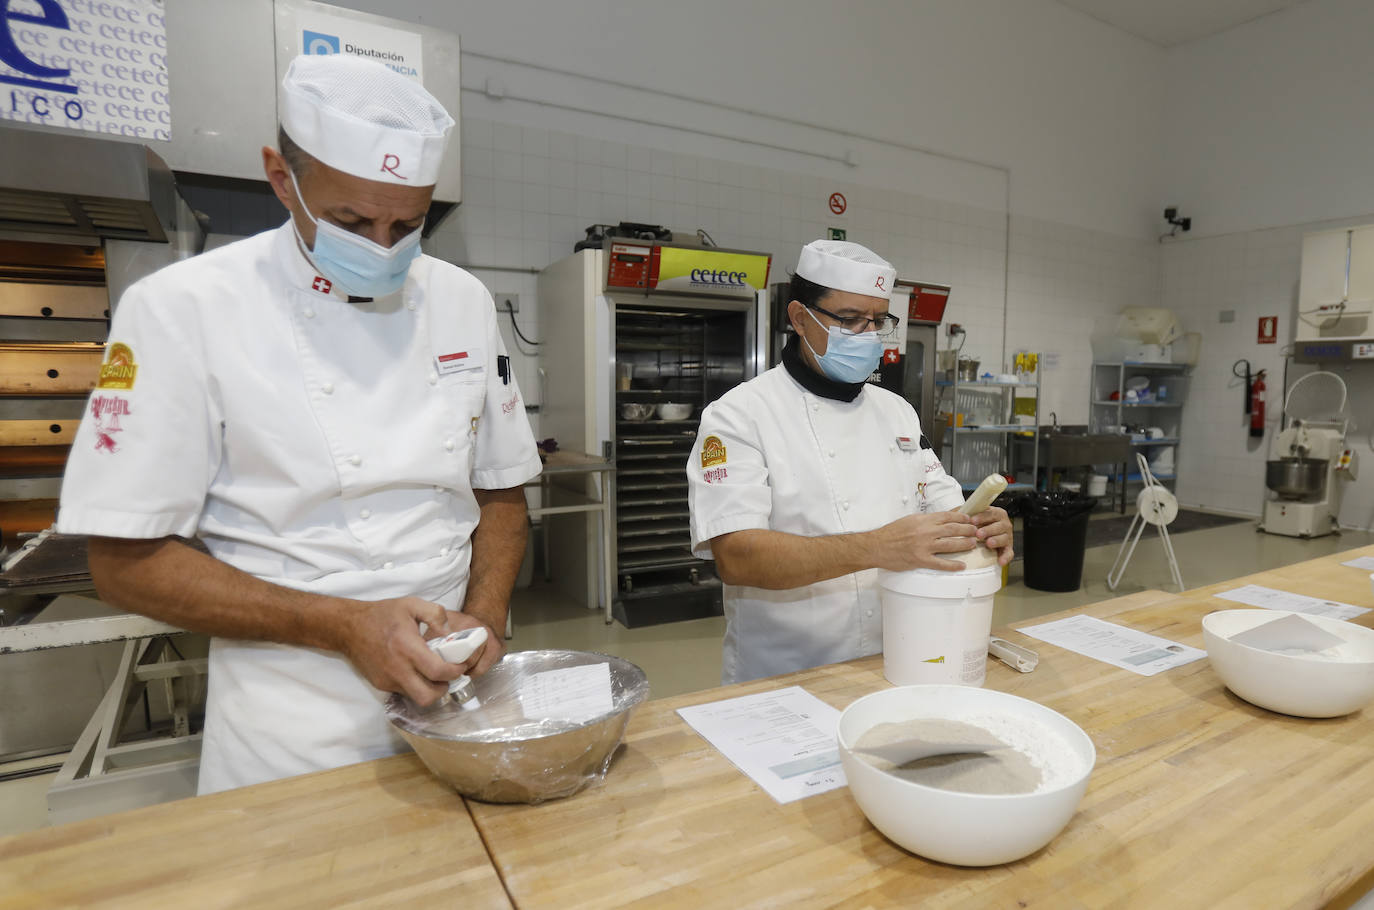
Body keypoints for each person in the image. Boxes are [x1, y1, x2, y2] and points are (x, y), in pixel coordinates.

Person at [56, 55, 541, 794]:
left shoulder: (463, 301)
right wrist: (343, 626)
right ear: (282, 178)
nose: (384, 247)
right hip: (294, 729)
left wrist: (484, 616)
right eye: (352, 221)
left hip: (458, 710)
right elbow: (123, 559)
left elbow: (502, 494)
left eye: (409, 224)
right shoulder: (183, 308)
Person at [686, 239, 1013, 684]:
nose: (869, 336)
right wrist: (876, 547)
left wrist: (981, 525)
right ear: (800, 318)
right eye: (850, 320)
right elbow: (737, 558)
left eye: (879, 321)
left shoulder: (896, 410)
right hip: (784, 674)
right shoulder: (739, 415)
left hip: (900, 654)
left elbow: (947, 515)